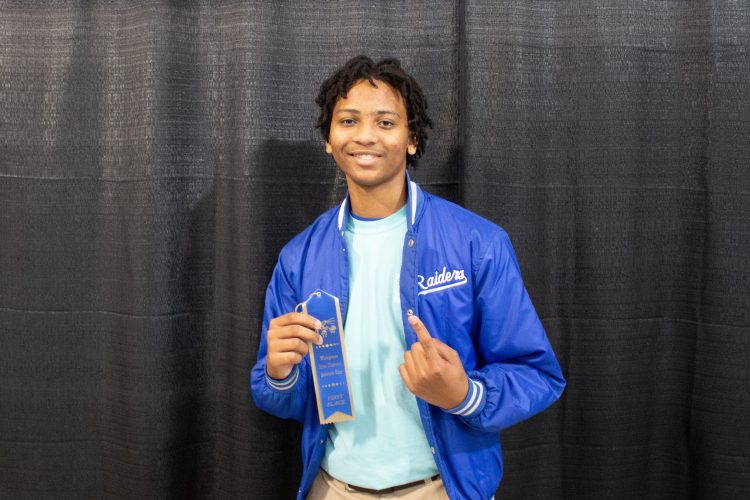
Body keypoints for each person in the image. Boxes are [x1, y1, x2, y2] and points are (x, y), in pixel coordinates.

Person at [251, 55, 565, 500]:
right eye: (348, 121)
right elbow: (280, 398)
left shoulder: (478, 243)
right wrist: (279, 373)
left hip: (442, 490)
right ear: (328, 139)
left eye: (385, 122)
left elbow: (537, 375)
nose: (365, 135)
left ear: (412, 139)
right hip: (333, 488)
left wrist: (465, 395)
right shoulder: (298, 257)